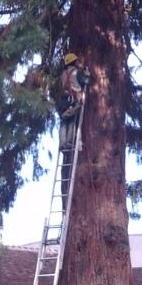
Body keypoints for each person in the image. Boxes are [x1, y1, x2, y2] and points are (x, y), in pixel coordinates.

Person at [56, 53, 89, 212]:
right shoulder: (76, 72)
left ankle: (63, 143)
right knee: (73, 124)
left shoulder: (63, 74)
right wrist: (87, 74)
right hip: (73, 100)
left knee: (64, 122)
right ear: (75, 62)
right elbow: (85, 81)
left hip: (63, 101)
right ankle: (72, 142)